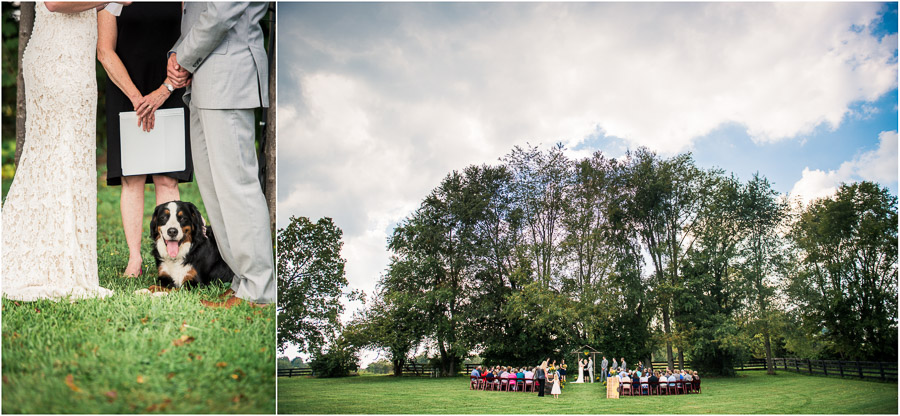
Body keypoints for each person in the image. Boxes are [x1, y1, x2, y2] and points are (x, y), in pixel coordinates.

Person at [2, 2, 117, 301]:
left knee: (70, 158)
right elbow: (54, 3)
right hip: (57, 62)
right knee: (56, 157)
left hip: (78, 64)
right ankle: (50, 262)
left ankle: (62, 256)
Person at [165, 2, 275, 306]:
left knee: (236, 188)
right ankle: (242, 280)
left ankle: (259, 290)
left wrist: (183, 58)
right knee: (215, 191)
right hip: (203, 77)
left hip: (229, 74)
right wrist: (178, 55)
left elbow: (224, 8)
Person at [97, 2, 193, 277]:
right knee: (133, 178)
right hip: (125, 89)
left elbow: (190, 39)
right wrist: (138, 100)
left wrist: (166, 89)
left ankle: (168, 259)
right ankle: (135, 258)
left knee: (167, 177)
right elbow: (104, 51)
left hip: (172, 87)